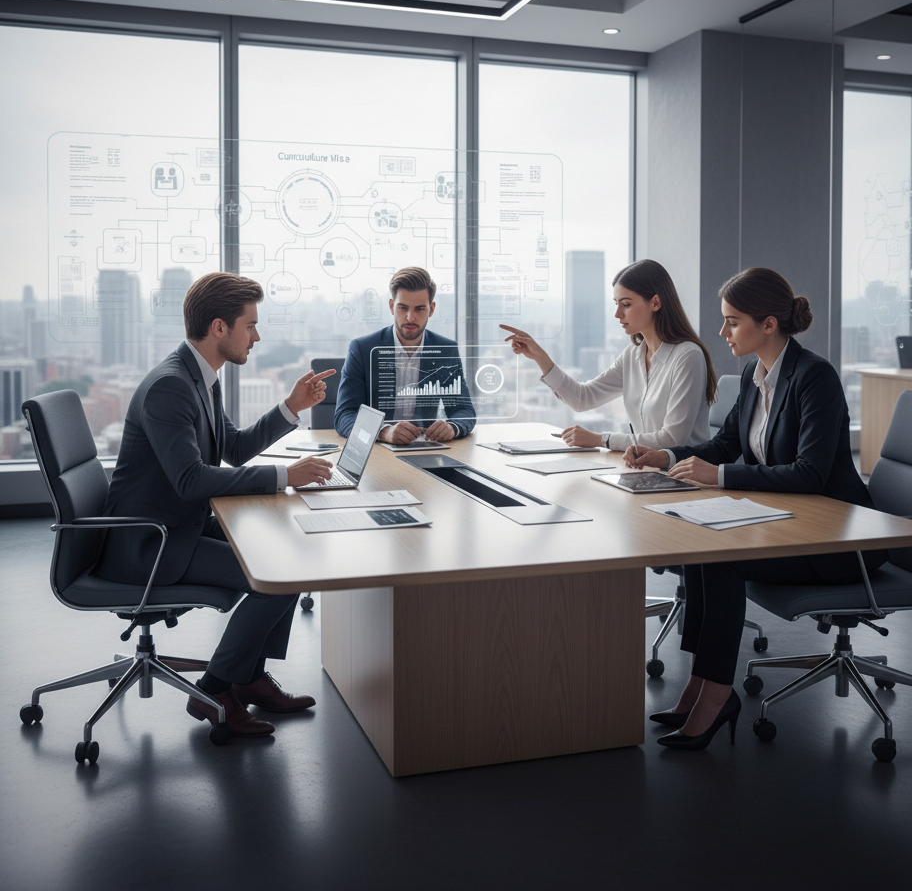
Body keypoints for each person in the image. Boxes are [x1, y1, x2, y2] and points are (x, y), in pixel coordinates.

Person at [627, 267, 878, 750]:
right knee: (703, 550)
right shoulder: (753, 373)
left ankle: (717, 695)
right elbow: (724, 443)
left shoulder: (814, 377)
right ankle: (699, 687)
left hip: (840, 542)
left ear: (768, 324)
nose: (722, 332)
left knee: (722, 560)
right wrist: (666, 457)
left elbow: (810, 474)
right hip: (790, 524)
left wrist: (718, 476)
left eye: (732, 321)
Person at [96, 272, 336, 738]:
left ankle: (247, 677)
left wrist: (291, 407)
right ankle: (216, 687)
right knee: (280, 579)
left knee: (287, 550)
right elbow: (190, 481)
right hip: (150, 544)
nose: (258, 336)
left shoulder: (201, 375)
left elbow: (234, 448)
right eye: (250, 325)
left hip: (176, 525)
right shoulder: (171, 386)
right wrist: (286, 475)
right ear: (219, 328)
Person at [500, 259, 716, 451]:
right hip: (649, 472)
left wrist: (600, 439)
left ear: (656, 303)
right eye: (616, 304)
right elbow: (583, 399)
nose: (617, 314)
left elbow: (672, 440)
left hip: (687, 478)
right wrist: (540, 357)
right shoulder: (632, 356)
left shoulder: (687, 356)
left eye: (626, 304)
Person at [334, 266, 476, 445]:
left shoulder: (446, 349)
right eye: (403, 308)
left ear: (431, 310)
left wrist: (452, 427)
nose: (410, 318)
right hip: (377, 452)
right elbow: (344, 415)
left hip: (425, 449)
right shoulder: (362, 349)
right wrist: (383, 432)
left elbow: (464, 410)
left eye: (419, 309)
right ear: (392, 307)